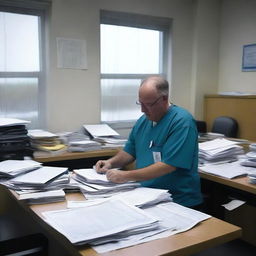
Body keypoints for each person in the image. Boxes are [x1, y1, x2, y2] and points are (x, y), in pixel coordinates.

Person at [95, 76, 203, 208]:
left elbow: (168, 165)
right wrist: (110, 163)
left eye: (148, 104)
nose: (143, 110)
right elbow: (129, 152)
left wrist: (126, 176)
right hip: (146, 196)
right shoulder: (144, 120)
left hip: (177, 201)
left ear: (164, 98)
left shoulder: (182, 122)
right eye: (140, 103)